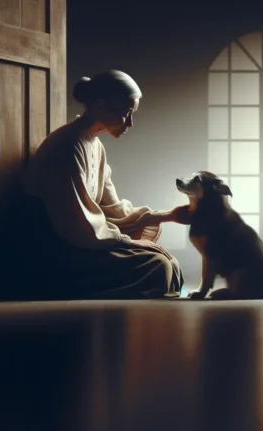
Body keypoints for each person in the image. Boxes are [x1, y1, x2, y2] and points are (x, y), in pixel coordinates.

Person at [14, 69, 189, 300]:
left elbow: (111, 208)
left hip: (82, 238)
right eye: (126, 113)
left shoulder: (95, 146)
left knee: (169, 263)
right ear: (99, 106)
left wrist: (162, 216)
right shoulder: (67, 145)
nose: (130, 123)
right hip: (58, 247)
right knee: (158, 266)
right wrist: (128, 242)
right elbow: (76, 223)